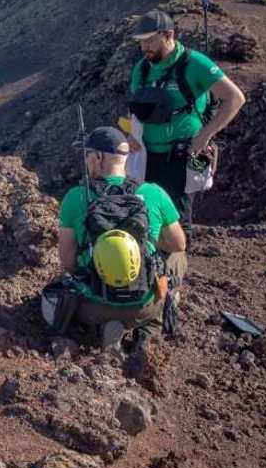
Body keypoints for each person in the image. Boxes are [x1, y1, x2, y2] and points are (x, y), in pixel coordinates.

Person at [52, 126, 187, 347]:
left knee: (69, 284)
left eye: (87, 154)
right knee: (178, 256)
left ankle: (104, 328)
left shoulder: (75, 197)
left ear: (98, 157)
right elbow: (178, 243)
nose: (86, 160)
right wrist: (149, 243)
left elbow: (67, 262)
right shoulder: (153, 192)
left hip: (93, 308)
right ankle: (148, 330)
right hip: (144, 305)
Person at [126, 10, 246, 231]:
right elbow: (135, 107)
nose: (144, 48)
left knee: (177, 222)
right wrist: (132, 135)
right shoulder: (141, 68)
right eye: (140, 42)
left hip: (183, 156)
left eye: (150, 40)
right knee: (147, 219)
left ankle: (177, 265)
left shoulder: (194, 64)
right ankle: (156, 265)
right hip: (147, 158)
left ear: (168, 34)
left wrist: (205, 136)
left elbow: (235, 98)